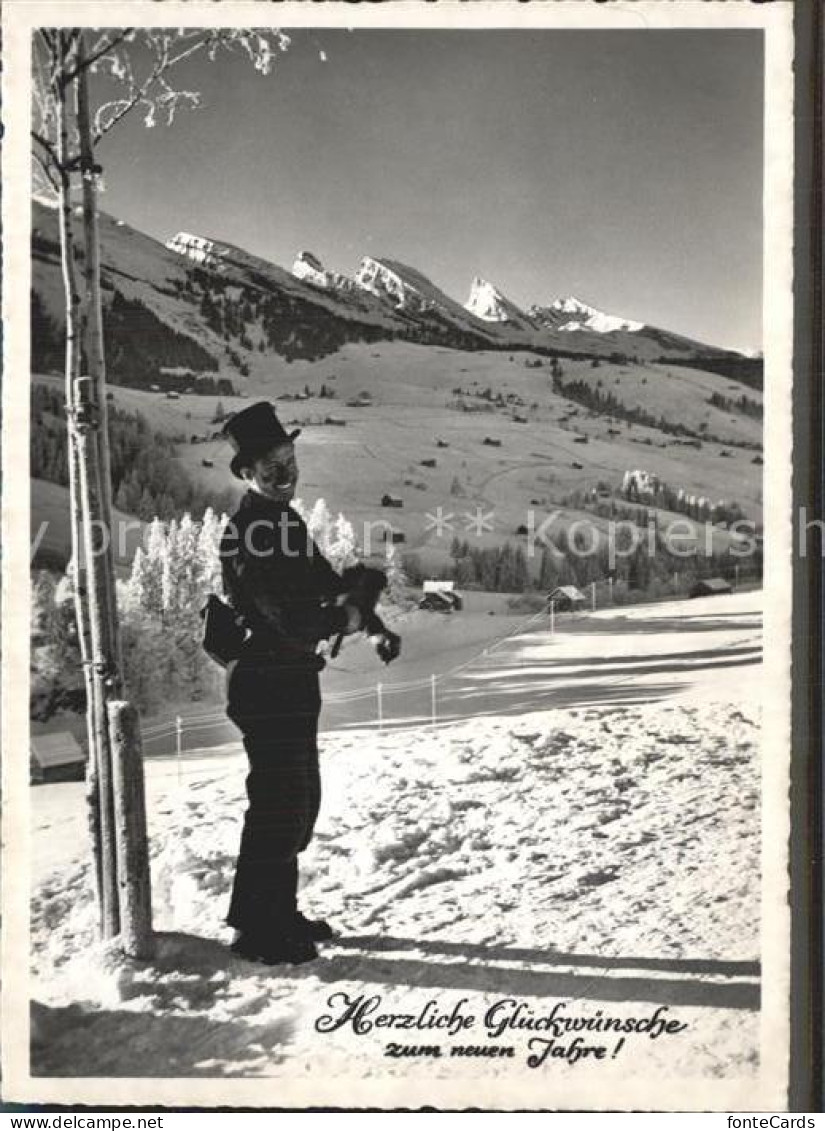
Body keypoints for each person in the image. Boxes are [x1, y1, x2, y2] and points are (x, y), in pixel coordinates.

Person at [219, 401, 400, 966]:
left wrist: (370, 621)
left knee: (297, 803)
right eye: (271, 467)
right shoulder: (249, 531)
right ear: (247, 473)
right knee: (277, 804)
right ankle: (257, 932)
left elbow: (324, 584)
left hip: (292, 681)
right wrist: (343, 618)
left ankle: (276, 911)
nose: (285, 474)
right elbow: (291, 616)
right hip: (264, 681)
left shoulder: (284, 521)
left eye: (289, 460)